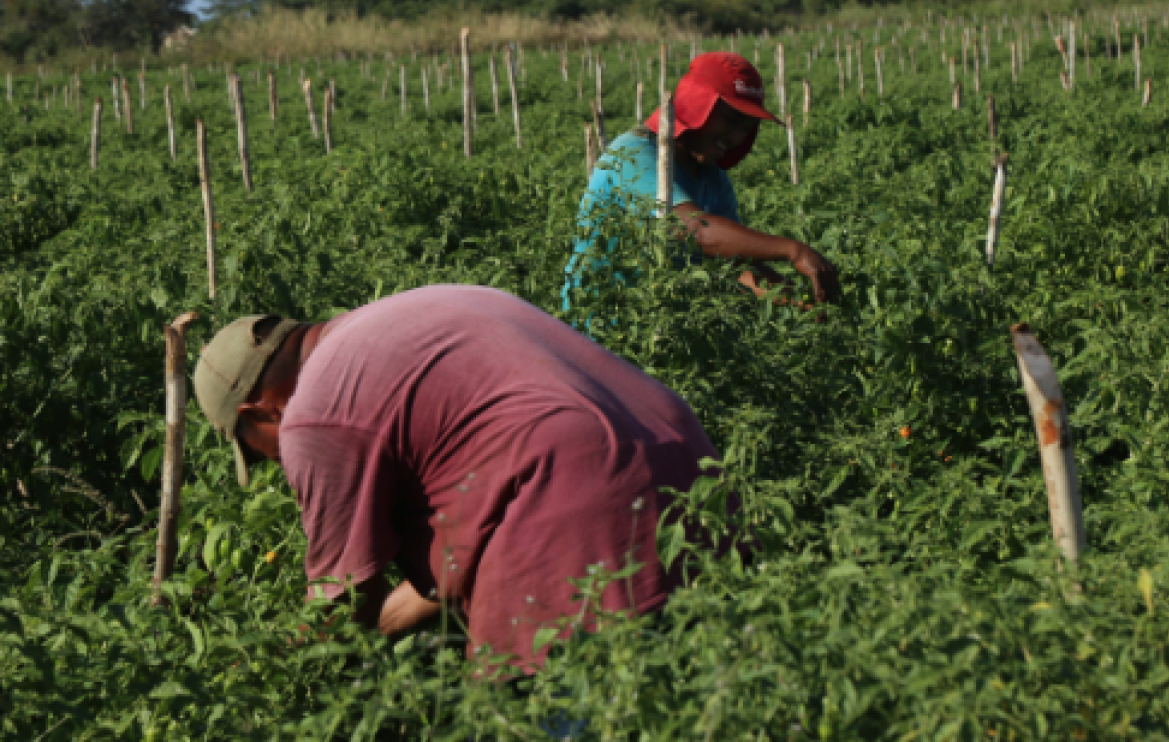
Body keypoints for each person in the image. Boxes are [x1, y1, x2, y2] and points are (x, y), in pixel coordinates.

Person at [193, 285, 722, 673]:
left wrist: (269, 678)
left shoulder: (312, 415)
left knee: (533, 715)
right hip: (694, 479)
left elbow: (343, 601)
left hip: (579, 513)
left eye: (257, 451)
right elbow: (466, 548)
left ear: (257, 412)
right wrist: (385, 618)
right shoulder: (409, 313)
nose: (276, 463)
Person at [562, 52, 840, 311]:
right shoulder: (633, 155)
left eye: (745, 128)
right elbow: (695, 230)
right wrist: (794, 251)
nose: (736, 137)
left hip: (664, 327)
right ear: (697, 104)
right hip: (601, 326)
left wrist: (800, 302)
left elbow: (735, 264)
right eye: (730, 120)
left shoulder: (713, 177)